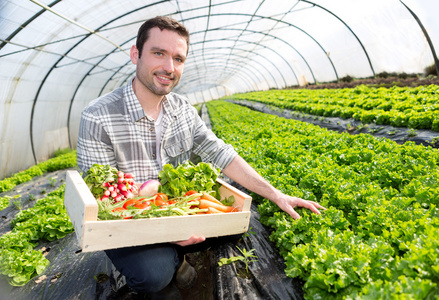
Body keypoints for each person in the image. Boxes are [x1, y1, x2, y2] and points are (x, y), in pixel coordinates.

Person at [77, 16, 325, 298]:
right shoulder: (99, 116)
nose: (169, 68)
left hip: (177, 210)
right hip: (127, 222)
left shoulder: (182, 108)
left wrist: (277, 195)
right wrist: (168, 231)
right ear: (136, 54)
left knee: (237, 222)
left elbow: (222, 153)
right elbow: (104, 201)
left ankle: (175, 253)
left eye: (178, 59)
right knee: (153, 275)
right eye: (158, 53)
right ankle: (171, 264)